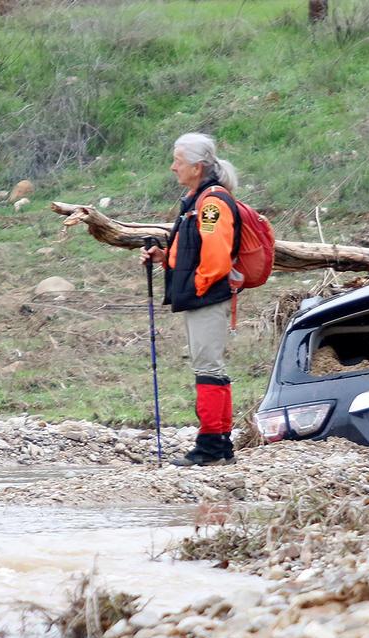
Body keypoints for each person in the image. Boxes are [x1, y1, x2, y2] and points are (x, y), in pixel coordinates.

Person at [142, 133, 240, 466]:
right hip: (204, 297)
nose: (173, 167)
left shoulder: (211, 204)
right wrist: (163, 257)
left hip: (207, 299)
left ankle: (211, 448)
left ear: (197, 167)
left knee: (208, 370)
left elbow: (216, 258)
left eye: (178, 161)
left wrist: (196, 288)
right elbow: (193, 249)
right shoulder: (197, 199)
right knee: (211, 368)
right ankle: (221, 445)